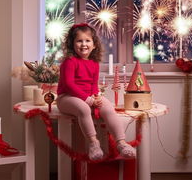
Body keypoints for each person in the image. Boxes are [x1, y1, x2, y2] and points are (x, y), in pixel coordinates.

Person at [56, 23, 136, 161]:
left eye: (87, 40)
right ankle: (93, 143)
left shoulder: (94, 63)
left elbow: (93, 85)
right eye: (79, 41)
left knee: (108, 107)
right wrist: (88, 100)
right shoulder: (69, 62)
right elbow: (69, 85)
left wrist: (96, 97)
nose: (83, 44)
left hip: (88, 96)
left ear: (94, 45)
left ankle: (121, 143)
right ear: (72, 44)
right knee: (83, 108)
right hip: (67, 97)